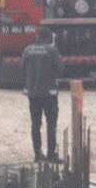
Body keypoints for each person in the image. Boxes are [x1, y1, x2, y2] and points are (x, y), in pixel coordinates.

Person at [22, 26, 65, 162]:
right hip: (49, 93)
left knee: (35, 123)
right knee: (51, 124)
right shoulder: (52, 50)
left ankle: (37, 155)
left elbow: (21, 67)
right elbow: (60, 69)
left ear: (37, 35)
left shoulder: (28, 50)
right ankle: (51, 156)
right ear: (49, 37)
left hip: (33, 93)